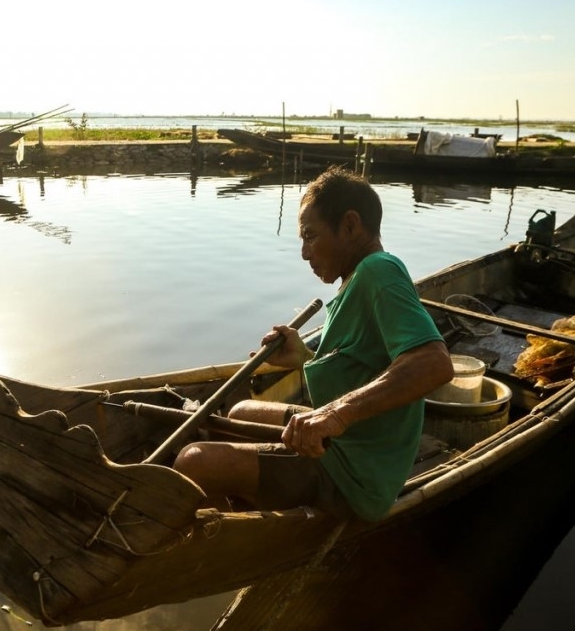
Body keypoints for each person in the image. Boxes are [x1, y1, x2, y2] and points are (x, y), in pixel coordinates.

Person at [172, 166, 454, 521]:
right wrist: (304, 357)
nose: (305, 252)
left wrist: (335, 413)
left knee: (194, 462)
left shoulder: (379, 271)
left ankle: (208, 551)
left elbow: (434, 362)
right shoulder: (356, 280)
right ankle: (243, 502)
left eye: (310, 236)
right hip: (346, 443)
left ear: (350, 225)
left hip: (353, 474)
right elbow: (359, 363)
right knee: (239, 412)